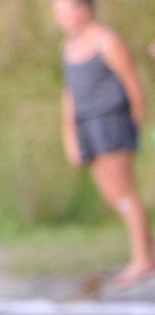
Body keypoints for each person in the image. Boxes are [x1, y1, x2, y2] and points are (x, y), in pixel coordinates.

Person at [53, 0, 152, 287]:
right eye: (57, 13)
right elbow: (70, 96)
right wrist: (70, 135)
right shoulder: (67, 47)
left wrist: (134, 124)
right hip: (87, 126)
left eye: (67, 11)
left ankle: (142, 259)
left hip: (111, 122)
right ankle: (147, 249)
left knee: (124, 192)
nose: (61, 18)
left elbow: (132, 84)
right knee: (111, 193)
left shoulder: (107, 42)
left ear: (84, 9)